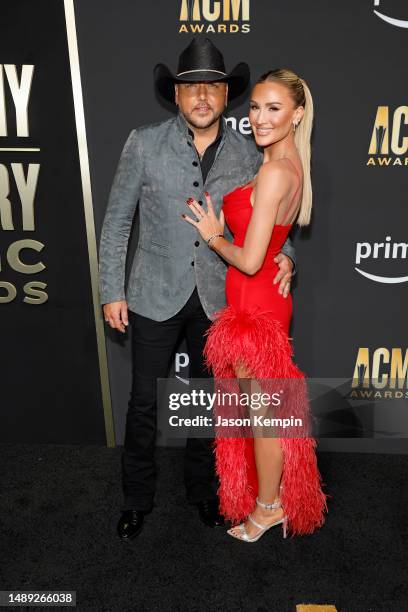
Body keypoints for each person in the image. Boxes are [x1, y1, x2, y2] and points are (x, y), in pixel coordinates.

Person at [98, 38, 296, 541]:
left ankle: (204, 494)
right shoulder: (143, 141)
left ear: (226, 94)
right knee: (144, 402)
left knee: (210, 403)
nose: (203, 96)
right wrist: (111, 290)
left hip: (220, 300)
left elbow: (276, 222)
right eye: (192, 88)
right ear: (177, 96)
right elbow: (118, 221)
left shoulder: (252, 154)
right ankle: (136, 500)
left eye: (213, 86)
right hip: (151, 296)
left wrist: (288, 256)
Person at [182, 68, 328, 541]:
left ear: (297, 114)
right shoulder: (290, 166)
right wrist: (283, 259)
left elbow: (246, 260)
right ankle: (273, 499)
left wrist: (214, 235)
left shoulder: (272, 171)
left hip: (254, 307)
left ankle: (269, 508)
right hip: (264, 300)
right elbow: (269, 246)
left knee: (263, 417)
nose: (260, 118)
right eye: (256, 107)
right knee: (263, 413)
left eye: (274, 108)